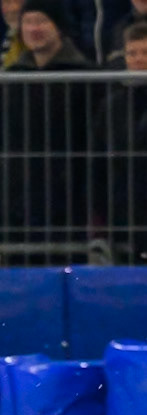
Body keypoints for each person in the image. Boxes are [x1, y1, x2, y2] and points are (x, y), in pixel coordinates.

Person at [0, 0, 96, 255]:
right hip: (16, 198)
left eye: (42, 21)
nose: (35, 29)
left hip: (69, 199)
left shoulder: (86, 77)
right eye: (29, 22)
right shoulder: (9, 78)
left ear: (60, 27)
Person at [92, 21, 147, 261]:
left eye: (145, 52)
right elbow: (99, 159)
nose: (138, 59)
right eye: (132, 53)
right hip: (124, 212)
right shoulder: (112, 105)